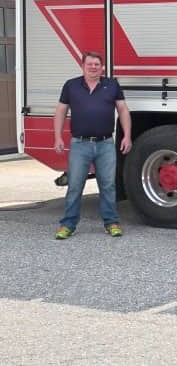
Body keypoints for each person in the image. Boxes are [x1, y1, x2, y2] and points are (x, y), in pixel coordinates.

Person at [53, 52, 131, 239]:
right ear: (83, 65)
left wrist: (127, 136)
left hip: (105, 143)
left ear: (102, 67)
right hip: (80, 144)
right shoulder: (71, 85)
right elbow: (61, 111)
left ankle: (111, 222)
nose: (93, 67)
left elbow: (123, 110)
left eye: (97, 64)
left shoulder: (111, 85)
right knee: (75, 185)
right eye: (90, 64)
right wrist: (57, 137)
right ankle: (68, 225)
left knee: (108, 185)